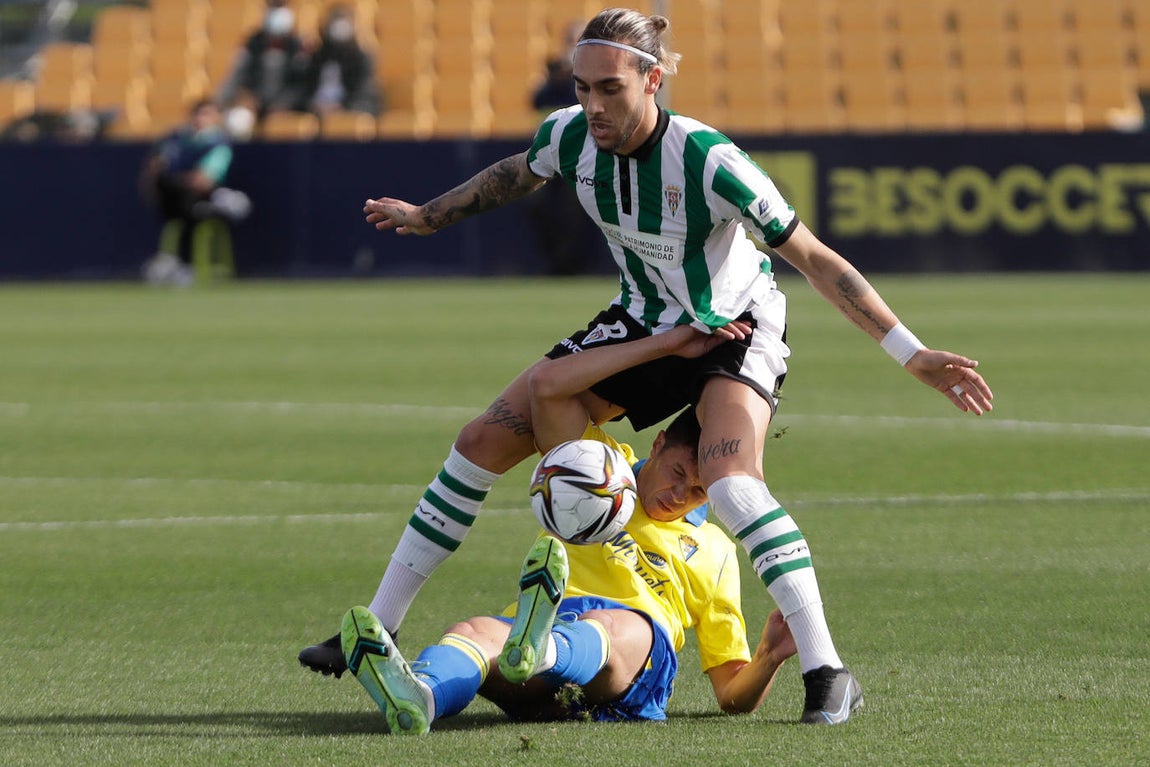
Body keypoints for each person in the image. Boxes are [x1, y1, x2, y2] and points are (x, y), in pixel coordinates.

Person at [301, 8, 994, 725]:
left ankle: (827, 670)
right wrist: (428, 215)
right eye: (581, 89)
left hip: (734, 327)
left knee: (729, 487)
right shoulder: (570, 135)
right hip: (643, 319)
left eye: (609, 89)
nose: (593, 106)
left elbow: (813, 257)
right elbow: (516, 173)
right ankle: (375, 630)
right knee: (480, 441)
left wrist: (910, 353)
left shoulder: (708, 161)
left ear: (653, 79)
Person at [339, 324, 798, 732]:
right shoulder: (597, 465)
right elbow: (548, 386)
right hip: (542, 645)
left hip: (632, 666)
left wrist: (769, 658)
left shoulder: (715, 550)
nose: (681, 494)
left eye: (700, 491)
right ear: (658, 444)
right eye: (678, 473)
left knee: (617, 626)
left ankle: (543, 650)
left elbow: (732, 694)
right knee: (476, 631)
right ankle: (423, 696)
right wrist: (666, 344)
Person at [138, 98, 249, 285]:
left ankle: (181, 264)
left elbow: (203, 181)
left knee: (191, 209)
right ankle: (177, 262)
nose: (201, 119)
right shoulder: (175, 139)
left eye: (207, 114)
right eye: (199, 113)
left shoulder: (218, 145)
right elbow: (154, 170)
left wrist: (177, 179)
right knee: (184, 203)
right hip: (174, 201)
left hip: (193, 198)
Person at [216, 0, 310, 127]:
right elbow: (236, 76)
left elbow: (302, 84)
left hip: (289, 107)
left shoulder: (297, 46)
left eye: (280, 8)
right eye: (273, 8)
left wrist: (283, 103)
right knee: (238, 119)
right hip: (256, 104)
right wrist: (241, 98)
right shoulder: (253, 43)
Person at [299, 4, 382, 117]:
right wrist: (314, 105)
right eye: (336, 20)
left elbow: (363, 90)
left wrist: (341, 106)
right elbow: (305, 87)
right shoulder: (317, 56)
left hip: (348, 108)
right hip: (316, 110)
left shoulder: (361, 58)